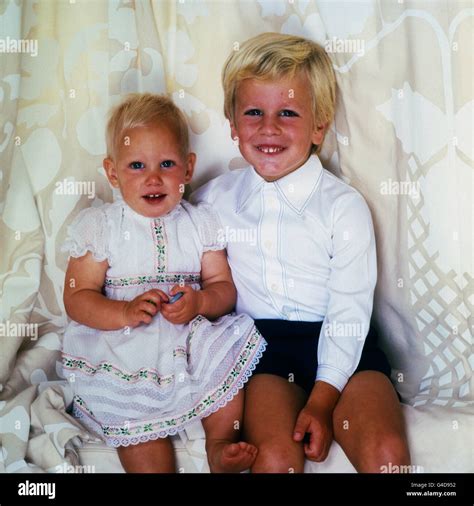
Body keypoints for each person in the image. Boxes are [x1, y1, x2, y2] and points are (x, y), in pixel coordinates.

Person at [191, 32, 411, 473]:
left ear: (319, 125)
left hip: (346, 345)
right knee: (274, 459)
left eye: (287, 113)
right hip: (263, 354)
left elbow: (349, 308)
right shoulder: (211, 202)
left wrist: (325, 397)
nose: (268, 128)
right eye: (253, 112)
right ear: (232, 125)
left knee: (387, 453)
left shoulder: (343, 207)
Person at [61, 93, 266, 473]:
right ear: (112, 173)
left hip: (187, 336)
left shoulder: (199, 224)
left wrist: (201, 303)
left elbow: (223, 287)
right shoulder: (102, 227)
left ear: (188, 169)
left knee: (225, 364)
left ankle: (219, 444)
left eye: (166, 164)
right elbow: (76, 297)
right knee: (132, 418)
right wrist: (122, 310)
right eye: (136, 165)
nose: (153, 178)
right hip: (124, 347)